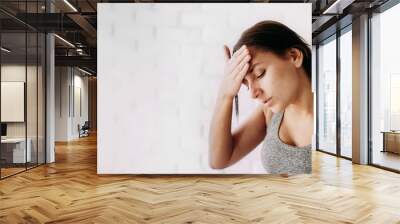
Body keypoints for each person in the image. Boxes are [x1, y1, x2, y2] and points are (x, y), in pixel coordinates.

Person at [208, 20, 313, 175]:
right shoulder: (270, 113)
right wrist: (225, 94)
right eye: (246, 84)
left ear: (294, 56)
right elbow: (219, 160)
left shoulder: (332, 118)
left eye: (259, 73)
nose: (252, 93)